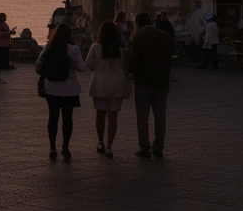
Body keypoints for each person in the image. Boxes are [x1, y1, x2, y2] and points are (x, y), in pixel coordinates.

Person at [127, 12, 174, 158]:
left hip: (143, 81)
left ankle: (144, 147)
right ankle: (158, 147)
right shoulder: (166, 36)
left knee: (142, 115)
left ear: (137, 24)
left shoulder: (138, 38)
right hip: (162, 81)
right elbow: (169, 58)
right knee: (160, 114)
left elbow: (134, 63)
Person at [36, 23, 85, 160]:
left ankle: (52, 147)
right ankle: (65, 146)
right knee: (67, 118)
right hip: (69, 89)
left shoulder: (49, 46)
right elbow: (81, 68)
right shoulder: (74, 49)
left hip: (51, 88)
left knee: (53, 117)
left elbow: (38, 63)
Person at [86, 20, 130, 157]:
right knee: (113, 117)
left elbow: (89, 64)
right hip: (117, 85)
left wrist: (98, 69)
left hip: (100, 85)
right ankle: (110, 146)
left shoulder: (96, 47)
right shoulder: (121, 49)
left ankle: (101, 142)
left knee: (100, 115)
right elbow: (125, 67)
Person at [0, 12, 13, 84]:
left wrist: (10, 39)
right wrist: (9, 33)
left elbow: (7, 34)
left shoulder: (5, 25)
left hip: (5, 45)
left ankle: (0, 76)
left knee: (3, 61)